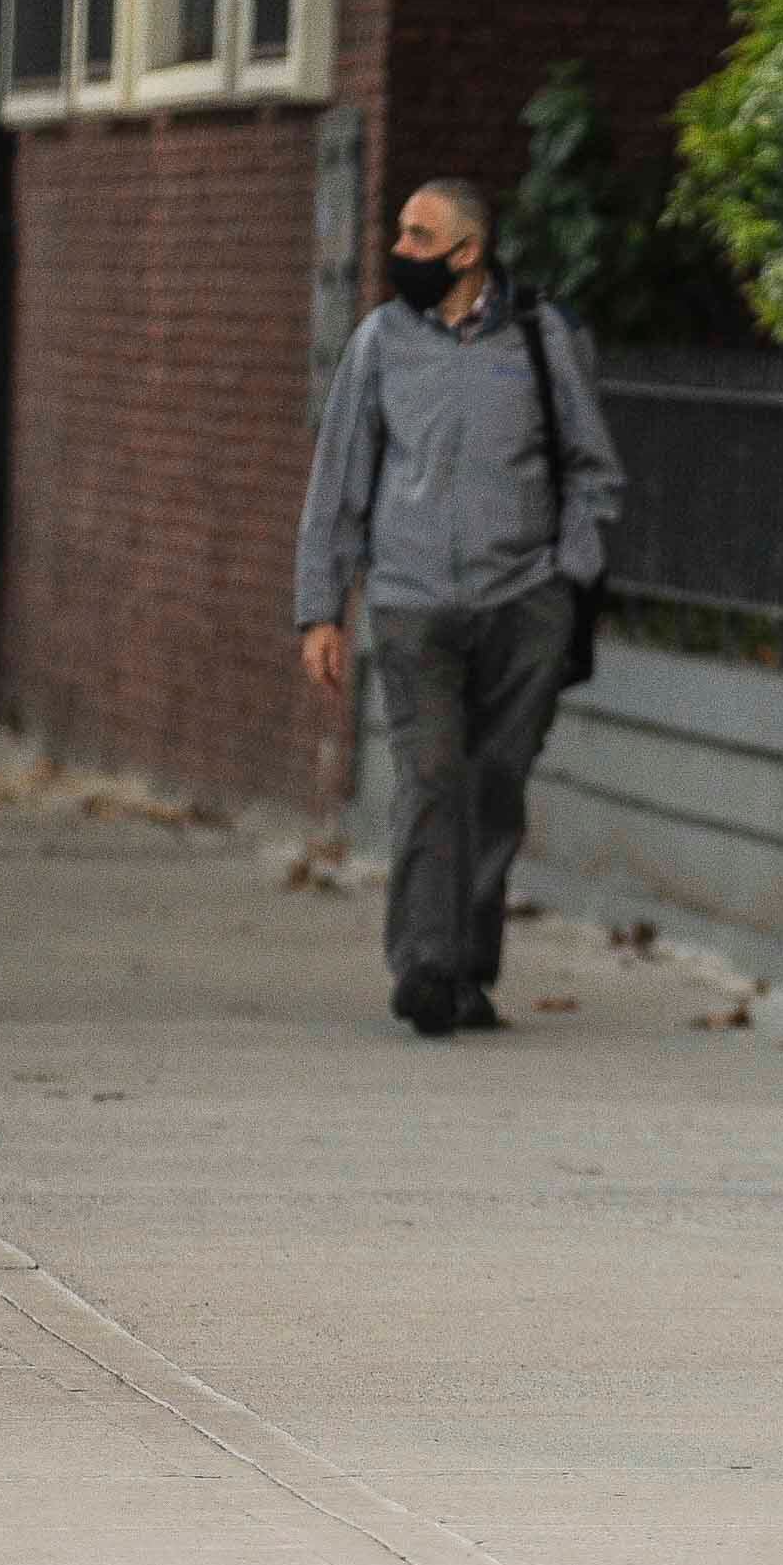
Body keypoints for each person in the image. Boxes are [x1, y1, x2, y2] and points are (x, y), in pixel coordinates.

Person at [294, 177, 625, 1039]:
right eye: (401, 232)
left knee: (494, 783)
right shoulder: (380, 341)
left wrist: (568, 576)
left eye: (418, 236)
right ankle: (425, 965)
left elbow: (593, 467)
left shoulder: (543, 338)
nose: (399, 251)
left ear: (468, 252)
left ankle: (469, 967)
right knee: (432, 774)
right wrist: (321, 606)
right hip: (411, 604)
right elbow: (339, 479)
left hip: (525, 605)